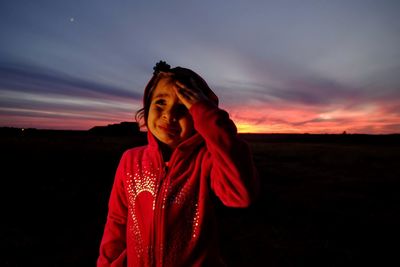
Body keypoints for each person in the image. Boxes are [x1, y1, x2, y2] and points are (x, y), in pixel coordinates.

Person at [97, 60, 259, 267]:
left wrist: (209, 116)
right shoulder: (130, 160)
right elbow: (117, 221)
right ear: (147, 106)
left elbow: (240, 195)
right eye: (160, 103)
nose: (169, 115)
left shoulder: (206, 161)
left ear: (200, 117)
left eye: (184, 108)